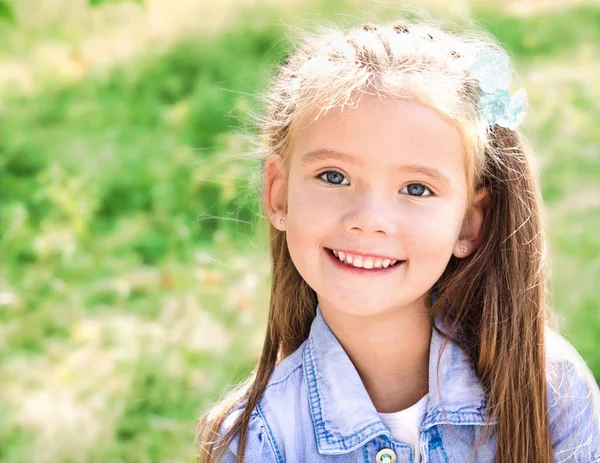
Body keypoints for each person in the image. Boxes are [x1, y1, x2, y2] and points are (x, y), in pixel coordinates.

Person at [197, 19, 600, 463]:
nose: (369, 221)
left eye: (416, 189)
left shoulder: (548, 387)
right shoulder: (255, 439)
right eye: (334, 177)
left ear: (468, 224)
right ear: (279, 193)